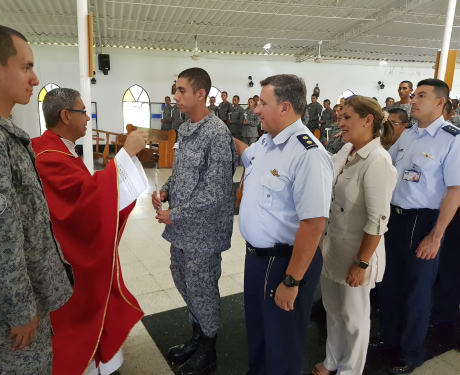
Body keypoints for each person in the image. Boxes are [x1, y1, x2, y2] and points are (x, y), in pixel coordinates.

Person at [0, 24, 73, 374]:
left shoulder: (1, 132)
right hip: (10, 316)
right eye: (25, 67)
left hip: (21, 302)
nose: (35, 78)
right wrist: (21, 312)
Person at [32, 88, 147, 375]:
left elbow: (87, 192)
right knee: (86, 311)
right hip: (70, 259)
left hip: (68, 253)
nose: (88, 118)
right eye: (84, 111)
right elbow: (85, 201)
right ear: (66, 115)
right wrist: (125, 154)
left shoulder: (58, 149)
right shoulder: (47, 156)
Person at [234, 74, 334, 375]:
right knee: (259, 336)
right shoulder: (266, 142)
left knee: (282, 344)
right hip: (257, 260)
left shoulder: (308, 154)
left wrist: (291, 281)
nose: (255, 110)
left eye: (263, 103)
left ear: (284, 107)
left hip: (285, 263)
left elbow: (314, 224)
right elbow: (244, 153)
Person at [151, 68, 238, 375]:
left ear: (201, 94)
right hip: (183, 230)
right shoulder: (187, 128)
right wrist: (164, 190)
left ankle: (209, 350)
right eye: (175, 90)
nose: (176, 96)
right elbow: (183, 174)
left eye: (182, 91)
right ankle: (198, 335)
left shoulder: (215, 132)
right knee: (183, 279)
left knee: (203, 287)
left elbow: (215, 191)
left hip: (204, 231)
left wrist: (175, 214)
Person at [372, 79, 460, 374]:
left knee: (417, 291)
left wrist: (436, 235)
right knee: (389, 286)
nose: (413, 99)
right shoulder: (408, 134)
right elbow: (390, 169)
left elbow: (455, 191)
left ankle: (411, 352)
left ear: (439, 103)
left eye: (421, 95)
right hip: (394, 219)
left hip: (424, 222)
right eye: (413, 94)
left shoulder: (452, 138)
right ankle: (390, 341)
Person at [313, 96, 397, 375]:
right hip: (333, 248)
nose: (340, 121)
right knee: (333, 313)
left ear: (368, 120)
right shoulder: (347, 150)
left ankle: (351, 370)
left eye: (347, 117)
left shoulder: (377, 160)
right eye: (340, 115)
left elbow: (377, 221)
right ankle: (332, 361)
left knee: (354, 318)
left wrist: (361, 263)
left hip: (357, 255)